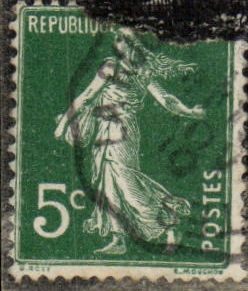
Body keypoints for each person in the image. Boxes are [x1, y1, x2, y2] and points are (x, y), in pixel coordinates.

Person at [53, 29, 206, 254]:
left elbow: (165, 99)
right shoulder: (131, 69)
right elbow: (88, 96)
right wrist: (65, 121)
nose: (115, 43)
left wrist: (189, 112)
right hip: (107, 129)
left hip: (121, 130)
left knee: (125, 181)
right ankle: (119, 239)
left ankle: (167, 217)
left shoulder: (122, 68)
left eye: (120, 39)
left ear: (131, 44)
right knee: (108, 182)